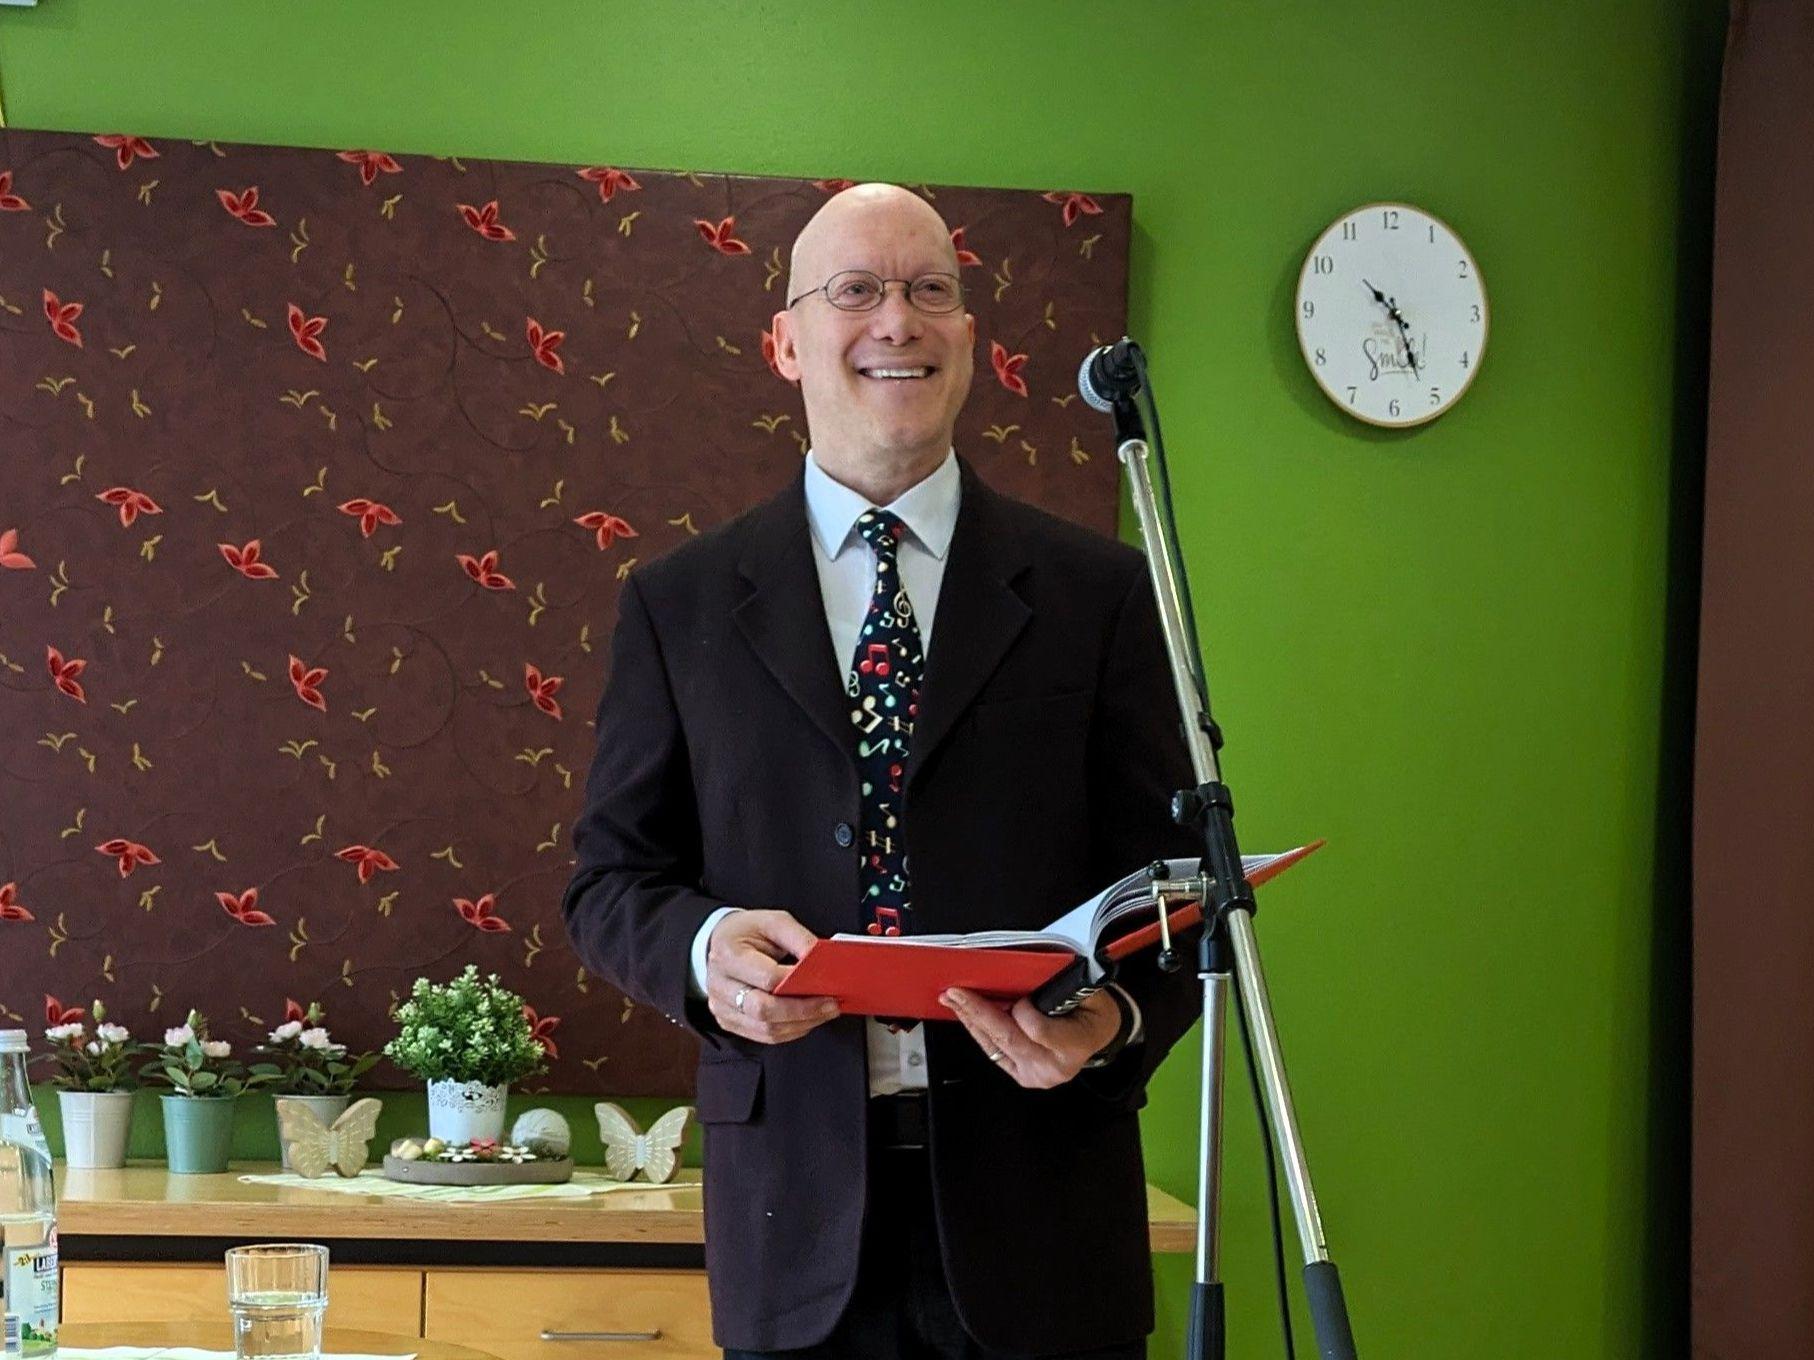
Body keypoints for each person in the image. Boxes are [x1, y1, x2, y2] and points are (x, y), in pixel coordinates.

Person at [563, 183, 1202, 1359]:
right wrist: (707, 953)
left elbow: (1178, 889)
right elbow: (608, 883)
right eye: (854, 290)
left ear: (969, 339)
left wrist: (1109, 1020)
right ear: (785, 342)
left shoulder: (1098, 593)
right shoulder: (676, 604)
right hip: (792, 1221)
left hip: (1043, 1217)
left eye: (928, 290)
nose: (895, 320)